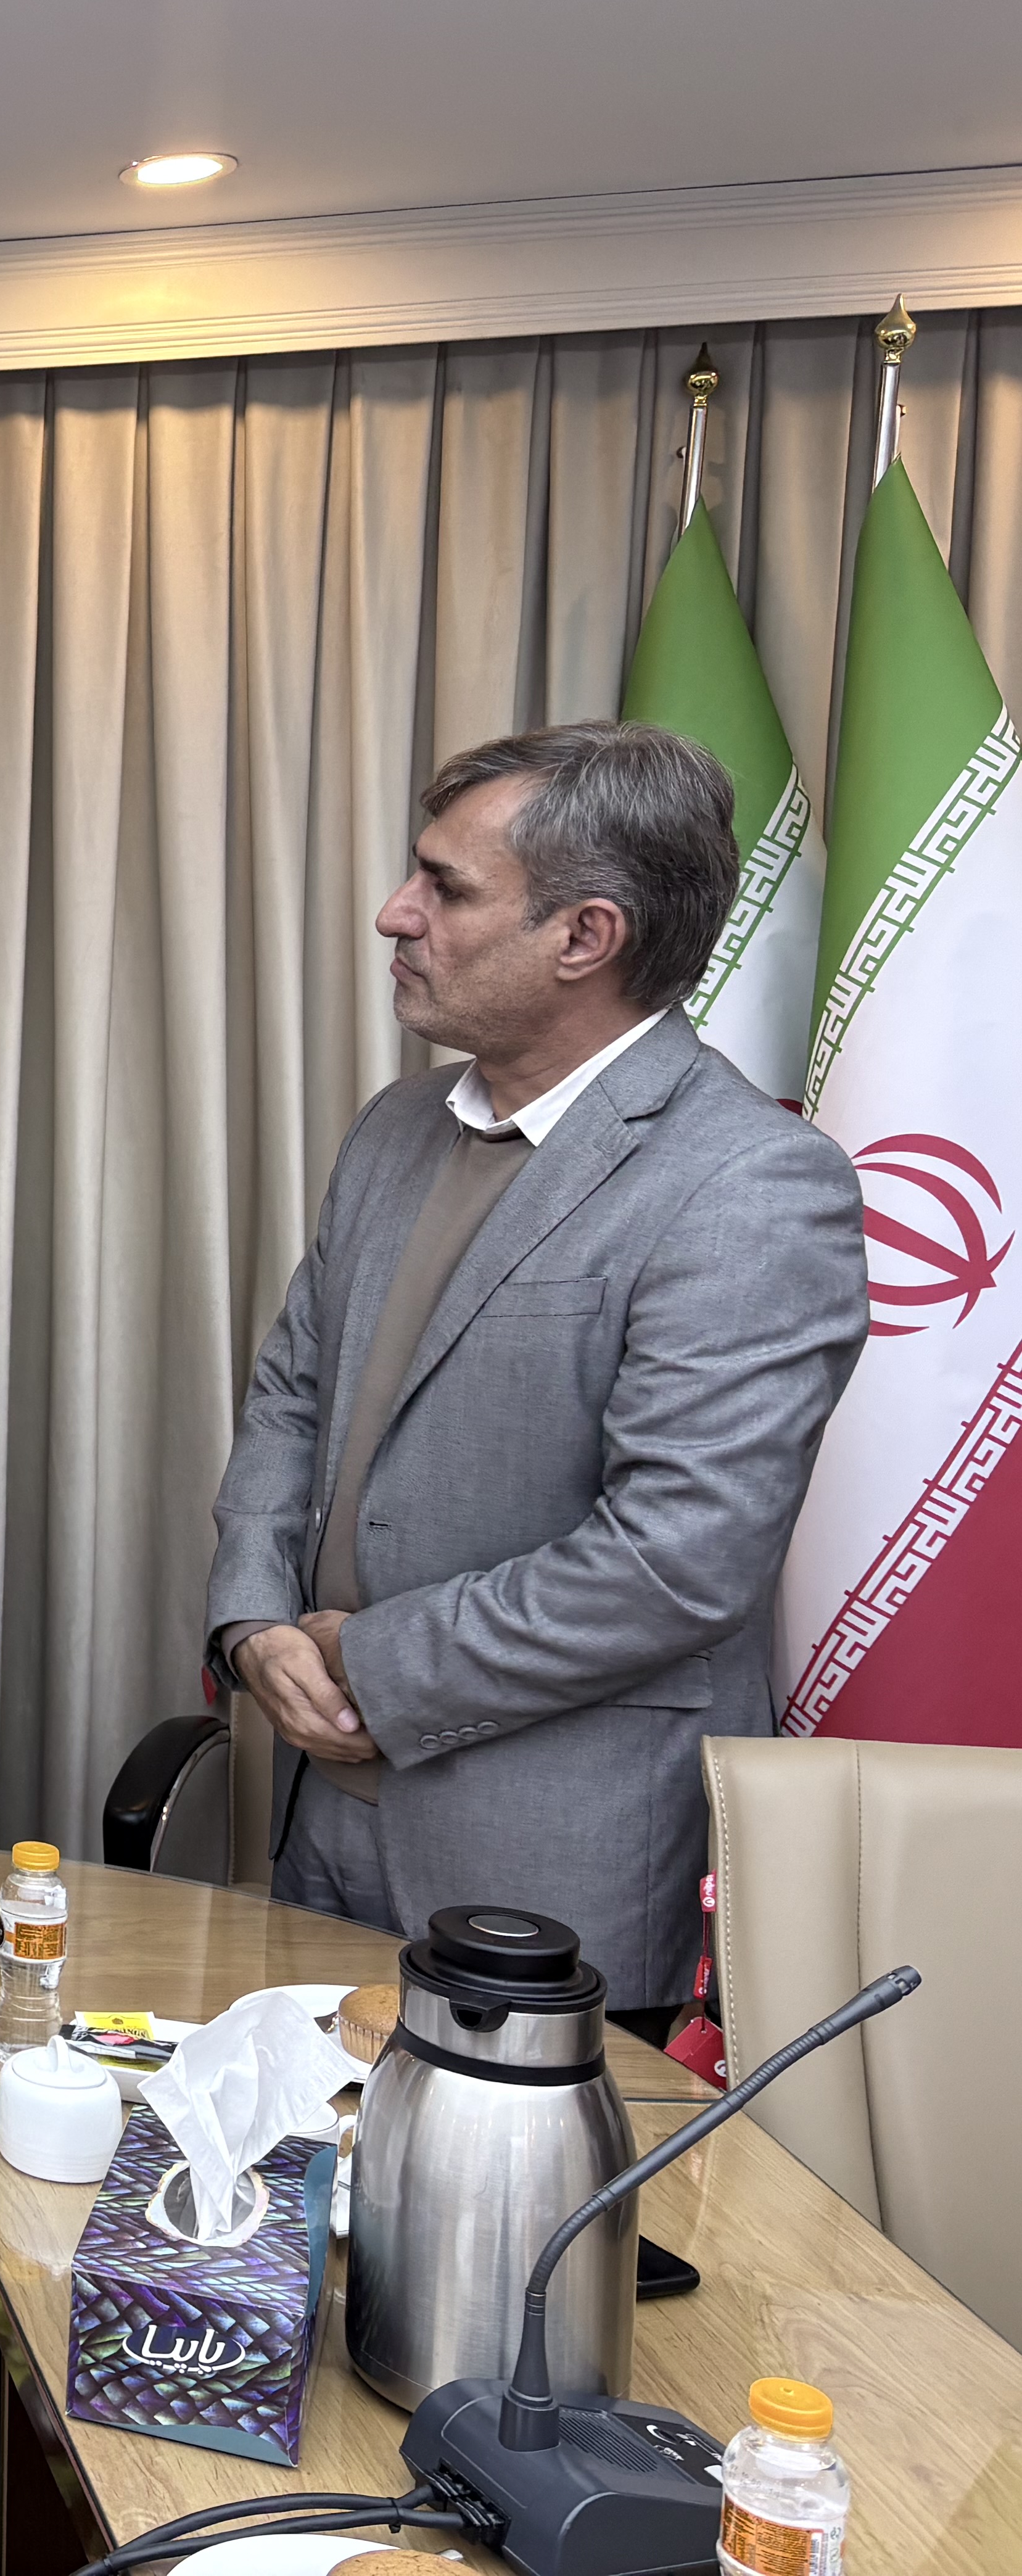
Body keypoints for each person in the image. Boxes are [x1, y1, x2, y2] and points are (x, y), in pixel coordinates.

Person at [208, 723, 867, 2031]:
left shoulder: (752, 1184)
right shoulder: (397, 1127)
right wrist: (253, 1623)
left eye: (446, 887)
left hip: (549, 1867)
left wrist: (374, 1665)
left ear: (586, 937)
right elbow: (292, 1398)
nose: (396, 913)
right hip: (318, 1829)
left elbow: (678, 1558)